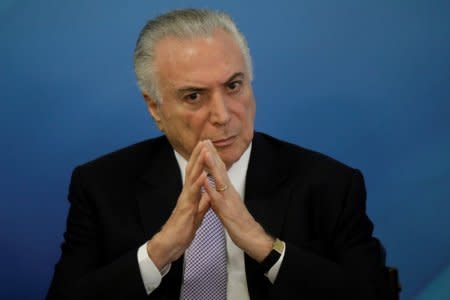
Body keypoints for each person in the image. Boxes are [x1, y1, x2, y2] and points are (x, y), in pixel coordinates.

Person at [47, 8, 390, 300]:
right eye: (194, 96)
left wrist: (262, 245)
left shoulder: (329, 185)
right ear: (155, 107)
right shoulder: (102, 186)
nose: (223, 115)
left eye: (233, 86)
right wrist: (160, 251)